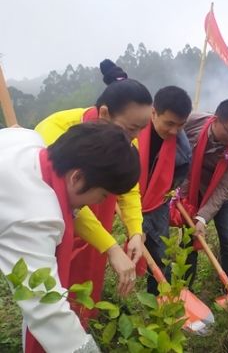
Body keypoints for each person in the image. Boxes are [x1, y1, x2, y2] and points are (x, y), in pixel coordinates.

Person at [0, 123, 140, 353]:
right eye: (103, 195)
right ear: (77, 177)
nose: (99, 203)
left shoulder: (26, 138)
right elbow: (46, 308)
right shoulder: (34, 217)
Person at [34, 59, 152, 320]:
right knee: (46, 291)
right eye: (132, 128)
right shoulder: (55, 132)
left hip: (92, 222)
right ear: (104, 114)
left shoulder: (125, 141)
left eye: (142, 130)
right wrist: (110, 247)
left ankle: (81, 322)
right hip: (52, 223)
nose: (135, 138)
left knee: (88, 275)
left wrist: (135, 232)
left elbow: (129, 190)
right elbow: (66, 201)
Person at [178, 99, 228, 284]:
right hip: (192, 192)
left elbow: (223, 186)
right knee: (189, 240)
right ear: (216, 120)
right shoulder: (192, 122)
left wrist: (202, 218)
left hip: (222, 197)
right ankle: (185, 288)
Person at [139, 86, 192, 295]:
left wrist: (158, 198)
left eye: (180, 125)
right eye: (169, 123)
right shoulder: (133, 130)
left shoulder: (181, 146)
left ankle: (159, 300)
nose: (174, 131)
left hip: (157, 200)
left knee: (159, 251)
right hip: (124, 193)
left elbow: (179, 174)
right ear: (153, 112)